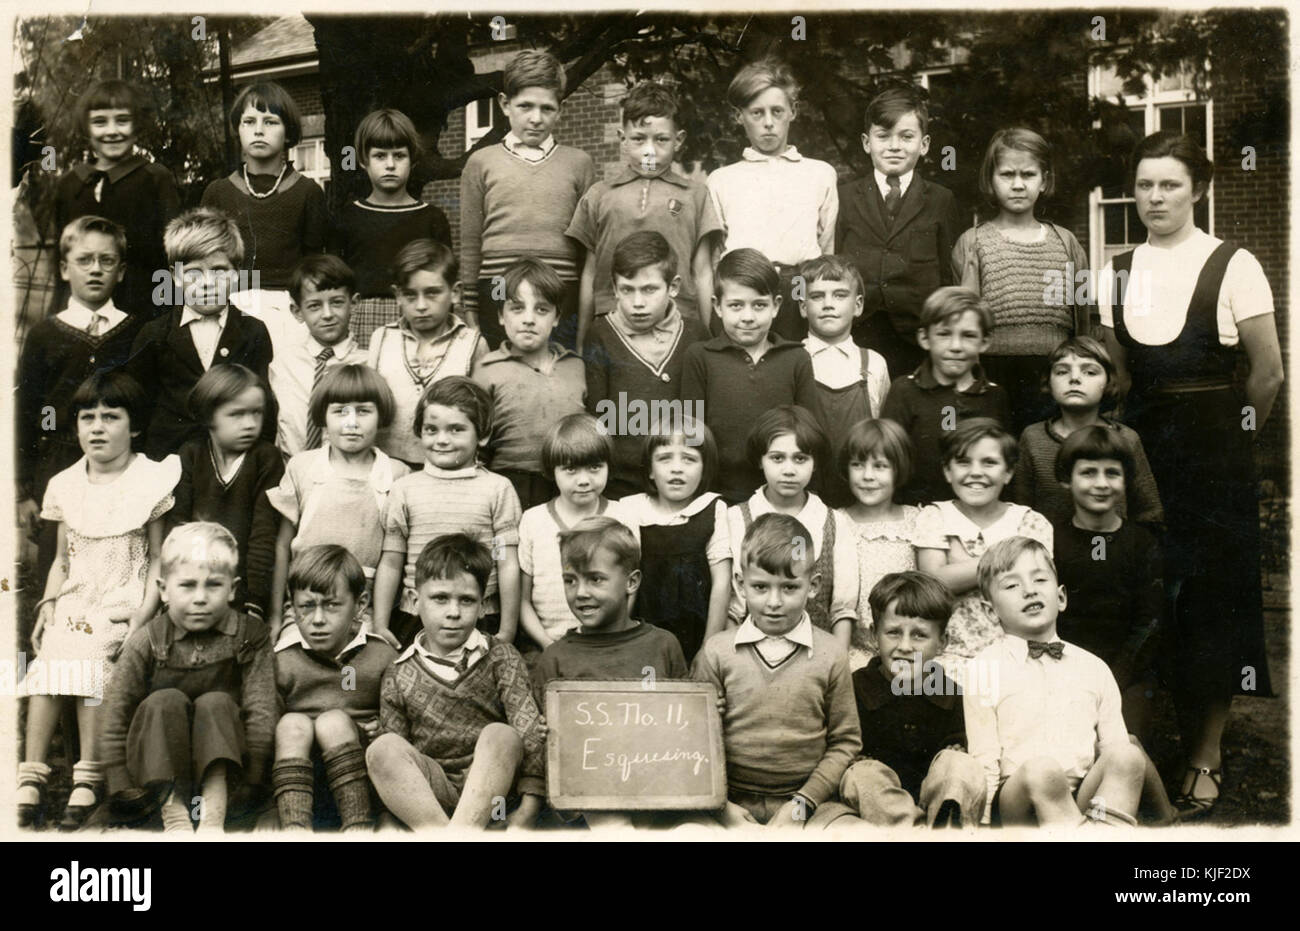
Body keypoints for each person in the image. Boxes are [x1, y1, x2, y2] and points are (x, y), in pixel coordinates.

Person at [1098, 132, 1283, 818]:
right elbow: (1116, 378)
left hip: (1214, 459)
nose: (1154, 197)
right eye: (1144, 185)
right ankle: (1134, 745)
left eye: (1170, 184)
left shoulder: (1233, 264)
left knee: (1213, 599)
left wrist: (1233, 445)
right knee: (1143, 592)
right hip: (1142, 458)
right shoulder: (1112, 270)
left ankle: (1206, 751)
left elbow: (1267, 373)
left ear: (1199, 188)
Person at [17, 372, 179, 830]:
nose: (98, 427)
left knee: (88, 655)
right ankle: (31, 775)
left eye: (111, 417)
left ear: (134, 427)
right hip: (77, 598)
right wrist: (47, 604)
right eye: (88, 417)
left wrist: (143, 618)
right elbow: (62, 561)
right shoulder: (68, 484)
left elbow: (158, 563)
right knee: (50, 657)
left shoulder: (150, 479)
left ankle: (87, 776)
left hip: (124, 600)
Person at [99, 522, 276, 833]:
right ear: (163, 589)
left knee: (216, 702)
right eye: (187, 585)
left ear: (232, 589)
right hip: (156, 781)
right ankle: (176, 820)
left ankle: (212, 822)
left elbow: (262, 709)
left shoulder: (250, 636)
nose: (200, 598)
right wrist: (119, 783)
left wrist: (254, 777)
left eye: (213, 585)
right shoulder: (148, 640)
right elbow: (116, 711)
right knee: (163, 701)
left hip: (231, 775)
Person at [963, 537, 1147, 827]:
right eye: (1012, 585)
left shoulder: (1093, 667)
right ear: (990, 612)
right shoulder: (983, 668)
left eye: (1039, 579)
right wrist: (982, 826)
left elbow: (1113, 747)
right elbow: (983, 756)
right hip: (1019, 801)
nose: (1029, 590)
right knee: (1043, 770)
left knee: (1128, 756)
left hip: (1085, 799)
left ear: (1061, 597)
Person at [693, 513, 861, 829]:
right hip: (728, 805)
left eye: (789, 587)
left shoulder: (831, 654)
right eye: (760, 586)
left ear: (813, 586)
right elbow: (693, 740)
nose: (774, 602)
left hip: (810, 804)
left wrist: (802, 804)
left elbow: (846, 742)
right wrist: (720, 806)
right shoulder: (716, 652)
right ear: (740, 585)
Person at [366, 535, 545, 830]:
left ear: (483, 606)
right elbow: (397, 768)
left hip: (497, 800)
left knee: (501, 734)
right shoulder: (398, 674)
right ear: (413, 600)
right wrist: (388, 821)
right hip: (429, 805)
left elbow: (528, 734)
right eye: (440, 598)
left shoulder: (501, 657)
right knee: (383, 748)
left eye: (466, 600)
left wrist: (529, 807)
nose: (453, 612)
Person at [16, 216, 149, 592]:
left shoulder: (137, 332)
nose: (95, 270)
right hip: (57, 464)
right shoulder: (43, 335)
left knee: (117, 565)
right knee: (59, 569)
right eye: (84, 260)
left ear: (121, 272)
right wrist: (23, 491)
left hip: (122, 468)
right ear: (63, 268)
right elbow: (27, 411)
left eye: (107, 261)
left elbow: (145, 406)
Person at [951, 127, 1093, 432]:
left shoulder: (1066, 243)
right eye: (1007, 175)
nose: (1017, 185)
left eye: (1028, 175)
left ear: (1045, 180)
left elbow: (1082, 323)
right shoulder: (972, 242)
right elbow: (964, 320)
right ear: (991, 180)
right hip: (991, 377)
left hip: (1054, 376)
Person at [460, 48, 596, 351]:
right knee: (498, 375)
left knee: (557, 376)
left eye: (547, 108)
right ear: (505, 105)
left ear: (560, 109)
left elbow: (588, 252)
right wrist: (471, 317)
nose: (536, 118)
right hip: (496, 286)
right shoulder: (481, 162)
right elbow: (470, 244)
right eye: (525, 106)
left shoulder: (579, 163)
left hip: (560, 287)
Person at [566, 82, 720, 345]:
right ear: (622, 138)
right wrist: (582, 339)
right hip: (612, 320)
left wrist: (705, 338)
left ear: (678, 140)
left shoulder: (695, 195)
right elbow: (589, 273)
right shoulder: (600, 194)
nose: (649, 151)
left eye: (661, 139)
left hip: (678, 321)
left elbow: (703, 272)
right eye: (639, 139)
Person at [372, 377, 522, 648]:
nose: (442, 440)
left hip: (480, 619)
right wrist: (381, 623)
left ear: (483, 435)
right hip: (414, 620)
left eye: (456, 430)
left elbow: (507, 562)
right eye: (431, 429)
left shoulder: (497, 489)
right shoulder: (405, 489)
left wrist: (507, 630)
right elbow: (392, 561)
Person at [267, 364, 409, 643]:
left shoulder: (396, 474)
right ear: (323, 416)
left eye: (364, 411)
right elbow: (283, 546)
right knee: (292, 663)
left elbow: (393, 557)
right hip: (305, 604)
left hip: (362, 609)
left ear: (381, 416)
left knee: (356, 674)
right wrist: (275, 616)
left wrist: (379, 623)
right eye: (340, 411)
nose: (351, 422)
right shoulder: (303, 467)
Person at [839, 572, 986, 827]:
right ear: (875, 635)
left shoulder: (954, 696)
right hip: (883, 813)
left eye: (919, 635)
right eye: (893, 633)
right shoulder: (855, 689)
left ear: (942, 642)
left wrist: (956, 751)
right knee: (861, 775)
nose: (905, 646)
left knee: (960, 764)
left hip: (935, 801)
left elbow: (960, 752)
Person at [837, 83, 963, 378]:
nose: (894, 146)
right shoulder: (843, 196)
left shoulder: (941, 200)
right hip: (858, 332)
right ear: (867, 143)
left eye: (906, 137)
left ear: (925, 144)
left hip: (918, 337)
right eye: (883, 136)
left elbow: (948, 274)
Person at [706, 58, 837, 341]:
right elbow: (715, 257)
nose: (768, 123)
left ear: (793, 111)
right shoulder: (721, 180)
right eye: (756, 113)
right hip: (744, 293)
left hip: (801, 287)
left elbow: (827, 247)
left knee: (799, 369)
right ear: (739, 116)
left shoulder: (819, 174)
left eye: (777, 111)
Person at [128, 207, 274, 460]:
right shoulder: (154, 334)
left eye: (218, 270)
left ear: (236, 272)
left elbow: (265, 408)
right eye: (194, 272)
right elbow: (137, 408)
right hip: (167, 462)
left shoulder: (253, 331)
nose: (207, 282)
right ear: (175, 276)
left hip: (234, 462)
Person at [915, 419, 1053, 681]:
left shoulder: (1030, 521)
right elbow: (933, 585)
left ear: (1008, 473)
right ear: (947, 471)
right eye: (963, 462)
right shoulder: (934, 516)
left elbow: (1032, 586)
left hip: (1018, 658)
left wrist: (959, 564)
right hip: (950, 660)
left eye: (989, 462)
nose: (975, 472)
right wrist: (1002, 561)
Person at [272, 545, 398, 831]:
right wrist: (269, 809)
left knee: (333, 722)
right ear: (291, 606)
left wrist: (383, 728)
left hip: (366, 784)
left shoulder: (383, 656)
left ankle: (359, 827)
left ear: (360, 604)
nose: (317, 619)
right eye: (306, 606)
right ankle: (294, 828)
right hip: (300, 787)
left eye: (331, 605)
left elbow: (404, 725)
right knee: (291, 723)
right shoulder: (282, 661)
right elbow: (264, 741)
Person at [680, 248, 820, 503]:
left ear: (776, 306)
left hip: (780, 495)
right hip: (717, 495)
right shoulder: (700, 357)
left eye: (759, 305)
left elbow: (808, 437)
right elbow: (692, 437)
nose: (748, 317)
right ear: (717, 307)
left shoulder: (796, 359)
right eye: (736, 305)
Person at [1052, 427, 1163, 742]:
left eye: (1112, 473)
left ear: (1126, 480)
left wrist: (1113, 679)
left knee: (1124, 747)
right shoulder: (1051, 540)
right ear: (1066, 479)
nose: (1101, 483)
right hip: (1064, 669)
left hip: (1126, 674)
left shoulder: (1142, 543)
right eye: (1088, 472)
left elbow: (1150, 623)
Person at [201, 81, 328, 349]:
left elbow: (313, 265)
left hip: (288, 311)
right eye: (249, 121)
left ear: (288, 132)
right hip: (230, 305)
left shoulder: (307, 192)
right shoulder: (218, 191)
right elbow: (204, 262)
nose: (258, 130)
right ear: (237, 129)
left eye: (270, 122)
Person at [583, 230, 707, 498]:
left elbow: (702, 417)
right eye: (627, 290)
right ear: (614, 288)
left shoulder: (695, 335)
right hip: (620, 485)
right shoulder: (601, 333)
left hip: (679, 483)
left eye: (649, 289)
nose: (637, 303)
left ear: (673, 287)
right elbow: (597, 417)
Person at [726, 405, 858, 648]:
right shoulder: (736, 518)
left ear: (815, 462)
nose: (789, 470)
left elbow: (842, 612)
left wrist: (834, 665)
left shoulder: (834, 523)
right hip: (750, 655)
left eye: (800, 458)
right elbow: (733, 609)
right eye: (777, 458)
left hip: (815, 658)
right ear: (760, 460)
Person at [53, 79, 180, 315]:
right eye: (100, 122)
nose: (112, 131)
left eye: (122, 121)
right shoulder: (71, 184)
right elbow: (60, 259)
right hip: (82, 311)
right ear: (86, 128)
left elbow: (171, 258)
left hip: (141, 310)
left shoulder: (155, 179)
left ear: (136, 126)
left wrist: (168, 319)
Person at [169, 364, 284, 622]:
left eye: (257, 413)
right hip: (194, 586)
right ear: (208, 416)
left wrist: (254, 601)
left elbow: (263, 536)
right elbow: (178, 527)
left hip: (242, 591)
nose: (250, 424)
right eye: (237, 414)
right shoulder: (191, 455)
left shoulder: (265, 459)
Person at [330, 108, 452, 349]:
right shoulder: (347, 217)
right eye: (380, 156)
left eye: (399, 156)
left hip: (418, 314)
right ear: (364, 160)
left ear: (413, 160)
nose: (390, 165)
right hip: (360, 319)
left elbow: (444, 279)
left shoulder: (432, 218)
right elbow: (336, 282)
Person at [1011, 336, 1162, 529]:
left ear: (1108, 382)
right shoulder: (1033, 438)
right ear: (1048, 382)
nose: (1074, 378)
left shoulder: (1126, 438)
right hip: (1047, 552)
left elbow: (1149, 512)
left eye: (1090, 372)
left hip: (1113, 550)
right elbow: (1019, 509)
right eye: (1062, 371)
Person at [471, 257, 586, 510]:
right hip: (507, 484)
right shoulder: (486, 369)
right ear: (501, 315)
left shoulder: (576, 367)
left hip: (568, 483)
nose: (529, 319)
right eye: (517, 308)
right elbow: (476, 443)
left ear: (557, 318)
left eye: (542, 309)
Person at [532, 516, 687, 700]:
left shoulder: (663, 646)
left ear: (631, 582)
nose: (580, 592)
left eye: (595, 579)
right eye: (570, 581)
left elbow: (684, 716)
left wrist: (708, 707)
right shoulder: (554, 659)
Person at [880, 286, 1010, 505]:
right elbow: (888, 459)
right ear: (925, 338)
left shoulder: (995, 396)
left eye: (968, 336)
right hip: (916, 514)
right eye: (944, 334)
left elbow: (1004, 463)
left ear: (984, 341)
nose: (955, 346)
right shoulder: (904, 391)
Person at [616, 418, 731, 663]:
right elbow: (625, 581)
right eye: (665, 458)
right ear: (649, 469)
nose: (676, 468)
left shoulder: (713, 509)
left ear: (704, 468)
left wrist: (708, 650)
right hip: (642, 634)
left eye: (689, 459)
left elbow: (722, 583)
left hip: (699, 635)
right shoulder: (631, 509)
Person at [367, 238, 488, 469]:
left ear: (455, 293)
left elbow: (480, 415)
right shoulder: (382, 339)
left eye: (432, 293)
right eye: (410, 295)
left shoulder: (472, 344)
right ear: (397, 295)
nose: (421, 305)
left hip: (448, 467)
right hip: (387, 466)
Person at [518, 415, 629, 660]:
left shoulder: (621, 515)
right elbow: (522, 601)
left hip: (607, 648)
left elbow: (629, 592)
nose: (583, 480)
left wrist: (607, 641)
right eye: (570, 469)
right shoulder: (533, 520)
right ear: (552, 470)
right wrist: (549, 646)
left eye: (594, 467)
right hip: (546, 648)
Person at [797, 254, 891, 507]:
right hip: (803, 495)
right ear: (803, 307)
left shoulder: (874, 364)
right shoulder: (792, 360)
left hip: (859, 496)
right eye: (817, 296)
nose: (828, 304)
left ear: (858, 305)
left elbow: (882, 431)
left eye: (839, 295)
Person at [834, 418, 922, 670]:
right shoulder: (836, 521)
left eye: (880, 466)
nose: (868, 476)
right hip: (854, 650)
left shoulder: (918, 519)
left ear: (899, 470)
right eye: (858, 465)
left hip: (909, 649)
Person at [270, 254, 369, 458]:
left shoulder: (368, 364)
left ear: (354, 303)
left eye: (337, 302)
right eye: (314, 306)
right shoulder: (282, 364)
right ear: (297, 311)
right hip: (291, 472)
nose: (327, 314)